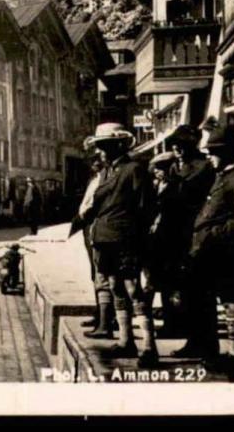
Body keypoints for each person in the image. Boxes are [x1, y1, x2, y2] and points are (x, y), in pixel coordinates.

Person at [84, 122, 158, 368]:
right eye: (98, 147)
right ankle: (126, 340)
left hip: (126, 239)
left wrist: (135, 234)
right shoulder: (106, 173)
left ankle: (149, 346)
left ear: (118, 145)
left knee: (133, 288)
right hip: (105, 240)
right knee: (115, 286)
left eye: (104, 146)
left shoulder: (134, 169)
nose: (100, 152)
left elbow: (146, 206)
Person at [175, 119, 234, 373]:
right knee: (209, 302)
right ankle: (214, 350)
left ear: (225, 152)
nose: (210, 158)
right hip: (206, 252)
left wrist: (212, 233)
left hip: (221, 252)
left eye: (213, 153)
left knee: (230, 307)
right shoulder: (224, 175)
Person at [166, 123, 217, 340]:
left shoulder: (203, 166)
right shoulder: (174, 167)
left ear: (190, 145)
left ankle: (203, 339)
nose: (176, 148)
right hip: (174, 233)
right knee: (181, 286)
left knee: (199, 289)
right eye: (174, 144)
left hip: (194, 232)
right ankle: (188, 333)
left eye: (180, 144)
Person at [143, 151, 185, 336]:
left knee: (168, 285)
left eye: (161, 169)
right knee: (155, 282)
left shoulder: (176, 187)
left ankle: (172, 325)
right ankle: (165, 322)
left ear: (170, 169)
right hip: (155, 242)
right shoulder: (157, 186)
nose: (157, 172)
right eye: (156, 169)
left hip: (169, 242)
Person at [73, 144, 111, 330]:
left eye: (97, 158)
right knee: (95, 273)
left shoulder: (107, 178)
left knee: (102, 273)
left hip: (97, 226)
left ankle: (106, 317)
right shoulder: (95, 178)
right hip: (90, 228)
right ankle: (100, 313)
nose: (94, 162)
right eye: (91, 160)